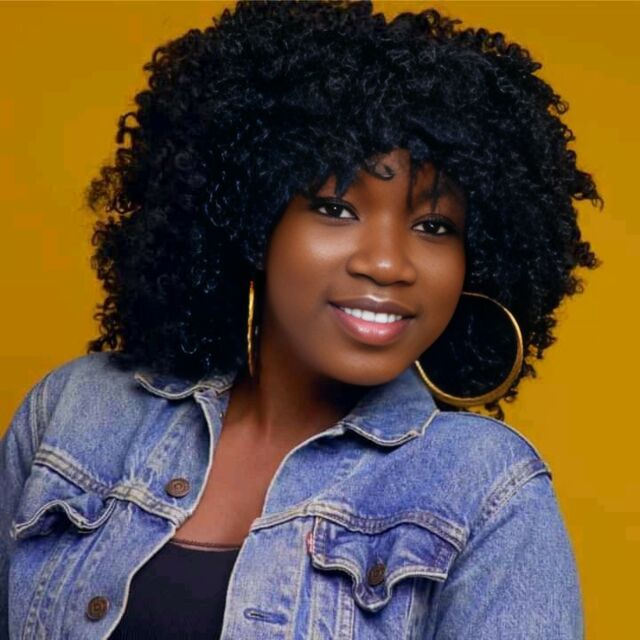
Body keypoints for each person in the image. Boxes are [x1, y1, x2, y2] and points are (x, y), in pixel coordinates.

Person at [0, 1, 602, 638]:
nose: (387, 264)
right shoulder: (78, 413)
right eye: (336, 209)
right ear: (252, 222)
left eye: (433, 226)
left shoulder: (488, 490)